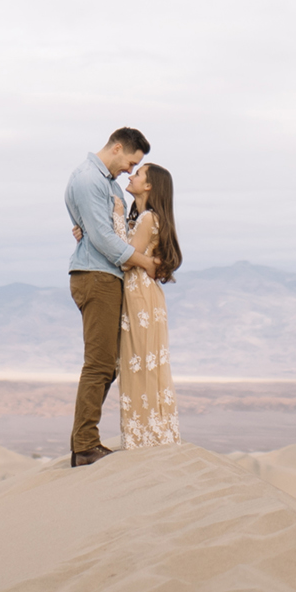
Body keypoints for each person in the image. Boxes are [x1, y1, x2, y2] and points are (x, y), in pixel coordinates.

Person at [63, 127, 154, 466]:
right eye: (131, 162)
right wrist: (145, 261)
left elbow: (100, 230)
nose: (130, 170)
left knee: (107, 365)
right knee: (99, 364)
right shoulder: (89, 179)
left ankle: (84, 442)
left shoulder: (107, 183)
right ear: (117, 148)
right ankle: (85, 446)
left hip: (107, 276)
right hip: (96, 276)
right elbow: (101, 237)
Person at [110, 161, 182, 447]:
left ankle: (146, 438)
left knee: (140, 365)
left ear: (149, 185)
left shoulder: (149, 219)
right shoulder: (143, 218)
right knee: (140, 366)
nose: (131, 175)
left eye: (138, 174)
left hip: (140, 298)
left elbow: (125, 257)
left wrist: (116, 216)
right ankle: (149, 434)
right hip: (141, 297)